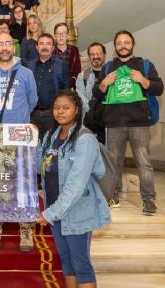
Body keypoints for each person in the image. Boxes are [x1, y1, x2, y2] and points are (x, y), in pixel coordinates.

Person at [35, 90, 111, 288]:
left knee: (81, 265)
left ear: (77, 110)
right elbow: (40, 168)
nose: (60, 112)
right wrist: (33, 140)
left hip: (76, 210)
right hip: (56, 208)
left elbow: (76, 185)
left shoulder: (85, 140)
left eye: (66, 107)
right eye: (57, 107)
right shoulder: (52, 136)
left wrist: (51, 213)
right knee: (67, 263)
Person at [0, 33, 38, 252]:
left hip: (21, 136)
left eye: (7, 43)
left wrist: (17, 120)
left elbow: (33, 101)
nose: (3, 47)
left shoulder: (26, 73)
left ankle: (25, 230)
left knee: (24, 183)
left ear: (14, 47)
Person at [92, 30, 163, 215]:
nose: (123, 46)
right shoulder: (108, 68)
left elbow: (159, 88)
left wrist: (143, 80)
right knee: (114, 163)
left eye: (126, 42)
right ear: (115, 47)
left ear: (133, 44)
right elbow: (97, 93)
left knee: (144, 163)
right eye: (119, 43)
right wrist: (104, 83)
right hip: (114, 123)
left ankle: (149, 200)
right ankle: (112, 197)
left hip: (139, 123)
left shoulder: (145, 65)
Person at [27, 34, 66, 142]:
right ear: (37, 47)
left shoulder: (61, 65)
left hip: (53, 114)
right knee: (32, 148)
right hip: (32, 115)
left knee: (51, 147)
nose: (45, 47)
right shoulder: (29, 66)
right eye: (41, 43)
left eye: (48, 44)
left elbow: (66, 92)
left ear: (53, 48)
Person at [76, 42, 107, 114]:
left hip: (109, 118)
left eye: (99, 53)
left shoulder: (111, 74)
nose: (96, 57)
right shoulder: (82, 76)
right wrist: (93, 111)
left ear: (105, 55)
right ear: (89, 57)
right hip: (90, 118)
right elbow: (81, 97)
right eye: (92, 54)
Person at [53, 23, 82, 89]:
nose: (61, 36)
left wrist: (71, 83)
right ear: (55, 36)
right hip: (53, 87)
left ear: (68, 35)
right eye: (58, 33)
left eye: (64, 33)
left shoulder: (74, 50)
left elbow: (77, 71)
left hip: (69, 87)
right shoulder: (51, 50)